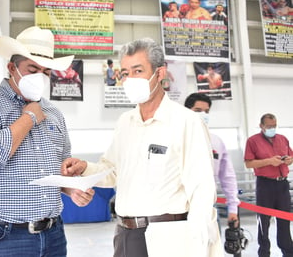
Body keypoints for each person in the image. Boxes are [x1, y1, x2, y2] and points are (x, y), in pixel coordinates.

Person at [61, 38, 222, 256]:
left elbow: (201, 189)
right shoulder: (125, 122)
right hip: (126, 235)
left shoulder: (186, 122)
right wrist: (85, 168)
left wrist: (200, 242)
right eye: (126, 73)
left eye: (138, 70)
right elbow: (113, 171)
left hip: (169, 237)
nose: (130, 79)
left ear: (160, 73)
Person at [0, 26, 94, 256]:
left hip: (53, 235)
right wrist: (29, 118)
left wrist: (72, 188)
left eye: (46, 71)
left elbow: (59, 170)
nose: (40, 77)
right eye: (33, 69)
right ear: (12, 68)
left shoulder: (54, 114)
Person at [184, 93, 240, 231]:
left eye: (206, 111)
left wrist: (233, 208)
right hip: (179, 209)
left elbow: (228, 177)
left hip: (208, 208)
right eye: (197, 111)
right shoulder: (174, 139)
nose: (203, 114)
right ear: (186, 111)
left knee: (212, 250)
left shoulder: (216, 142)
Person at [244, 113, 293, 257]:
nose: (272, 128)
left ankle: (288, 252)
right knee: (263, 222)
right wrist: (269, 161)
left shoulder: (282, 139)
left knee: (285, 219)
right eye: (269, 126)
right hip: (265, 185)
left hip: (282, 184)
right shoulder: (252, 141)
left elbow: (291, 156)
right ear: (261, 126)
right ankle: (264, 253)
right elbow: (248, 163)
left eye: (274, 126)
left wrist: (289, 160)